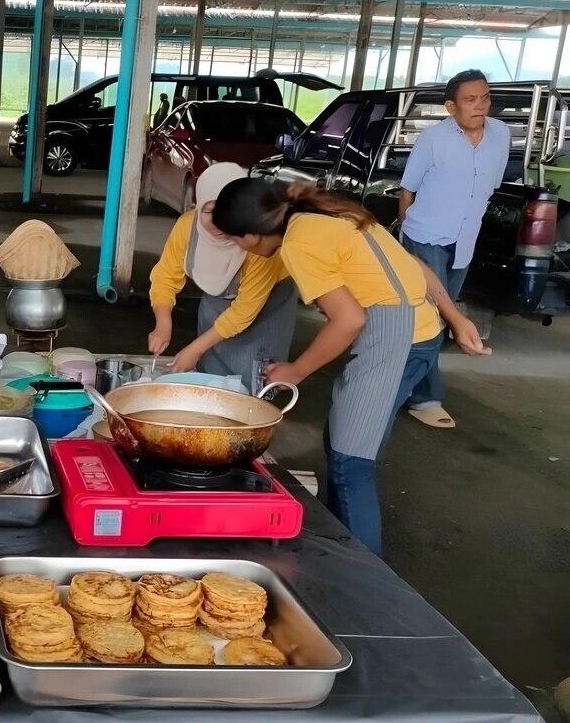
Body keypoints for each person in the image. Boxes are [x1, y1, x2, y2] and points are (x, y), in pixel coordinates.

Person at [211, 178, 491, 556]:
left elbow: (348, 320)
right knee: (342, 444)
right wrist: (455, 318)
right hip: (420, 333)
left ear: (251, 234)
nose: (238, 248)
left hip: (398, 342)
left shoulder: (298, 243)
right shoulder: (330, 212)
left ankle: (364, 576)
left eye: (234, 240)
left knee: (351, 463)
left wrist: (295, 371)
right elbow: (415, 265)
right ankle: (339, 546)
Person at [397, 69, 509, 429]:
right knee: (433, 317)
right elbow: (407, 189)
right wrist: (405, 237)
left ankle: (409, 382)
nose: (480, 106)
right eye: (470, 100)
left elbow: (491, 185)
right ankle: (423, 398)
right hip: (425, 234)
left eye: (485, 97)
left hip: (465, 239)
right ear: (451, 106)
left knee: (443, 316)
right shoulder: (432, 139)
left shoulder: (501, 135)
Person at [147, 163, 297, 393]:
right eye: (208, 211)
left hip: (265, 306)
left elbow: (244, 311)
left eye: (223, 213)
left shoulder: (258, 241)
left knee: (254, 384)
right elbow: (165, 276)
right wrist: (163, 321)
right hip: (216, 303)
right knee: (212, 376)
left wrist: (195, 348)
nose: (216, 223)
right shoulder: (188, 227)